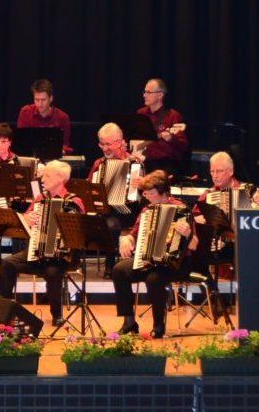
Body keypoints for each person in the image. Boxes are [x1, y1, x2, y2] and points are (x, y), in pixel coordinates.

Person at [0, 160, 84, 326]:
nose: (42, 179)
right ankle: (4, 308)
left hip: (63, 257)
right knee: (8, 263)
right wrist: (26, 218)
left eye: (47, 176)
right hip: (37, 252)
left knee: (52, 271)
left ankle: (57, 315)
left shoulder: (74, 202)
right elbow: (22, 224)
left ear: (60, 178)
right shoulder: (39, 199)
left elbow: (78, 232)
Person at [112, 170, 193, 338]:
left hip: (175, 263)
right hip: (147, 259)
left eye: (151, 193)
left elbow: (195, 244)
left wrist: (187, 234)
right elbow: (134, 235)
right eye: (145, 193)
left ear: (164, 193)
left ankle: (158, 325)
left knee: (153, 278)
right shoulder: (146, 210)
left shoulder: (182, 210)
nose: (147, 196)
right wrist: (127, 239)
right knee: (119, 270)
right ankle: (129, 322)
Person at [88, 122, 144, 267]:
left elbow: (142, 195)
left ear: (119, 142)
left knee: (111, 225)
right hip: (104, 209)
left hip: (128, 210)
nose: (105, 148)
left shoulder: (134, 163)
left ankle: (110, 264)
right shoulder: (99, 164)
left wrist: (140, 185)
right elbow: (89, 188)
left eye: (108, 144)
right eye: (102, 144)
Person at [136, 78, 189, 175]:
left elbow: (183, 146)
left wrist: (171, 139)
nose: (144, 95)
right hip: (142, 162)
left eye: (148, 92)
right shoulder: (141, 113)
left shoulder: (173, 116)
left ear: (160, 95)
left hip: (164, 166)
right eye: (144, 92)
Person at [16, 79, 72, 154]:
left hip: (53, 159)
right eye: (37, 100)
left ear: (51, 98)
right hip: (30, 157)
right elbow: (21, 141)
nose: (39, 104)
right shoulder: (25, 112)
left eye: (43, 100)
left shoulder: (62, 117)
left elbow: (65, 144)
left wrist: (62, 151)